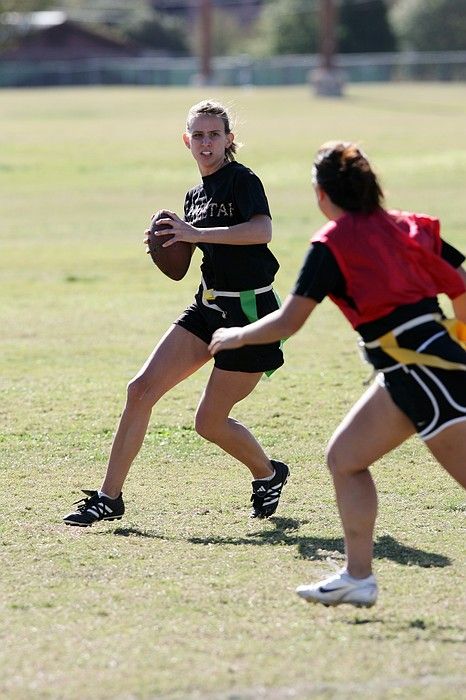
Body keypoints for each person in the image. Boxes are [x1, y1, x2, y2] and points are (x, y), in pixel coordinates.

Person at [209, 141, 466, 608]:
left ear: (322, 194)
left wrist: (237, 335)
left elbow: (288, 322)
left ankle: (358, 575)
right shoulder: (409, 225)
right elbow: (461, 282)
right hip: (412, 371)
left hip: (425, 375)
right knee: (345, 458)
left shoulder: (331, 242)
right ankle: (358, 577)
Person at [63, 99, 289, 527]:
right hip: (208, 305)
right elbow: (187, 256)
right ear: (187, 141)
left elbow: (262, 231)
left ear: (228, 140)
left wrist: (194, 231)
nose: (206, 143)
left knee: (208, 422)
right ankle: (109, 498)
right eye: (198, 136)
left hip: (249, 313)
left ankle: (268, 473)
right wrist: (171, 241)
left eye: (214, 135)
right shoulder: (195, 194)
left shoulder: (243, 180)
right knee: (141, 389)